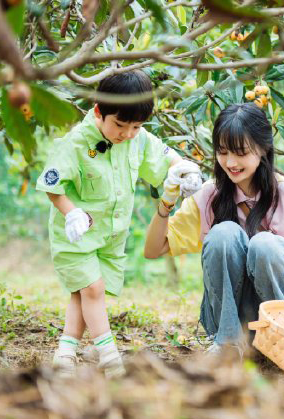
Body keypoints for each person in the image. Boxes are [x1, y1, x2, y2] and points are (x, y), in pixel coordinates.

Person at [143, 103, 284, 354]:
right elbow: (154, 249)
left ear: (263, 149)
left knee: (266, 244)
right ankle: (227, 345)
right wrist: (167, 200)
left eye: (240, 152)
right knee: (223, 233)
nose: (231, 162)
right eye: (222, 152)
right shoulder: (209, 197)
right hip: (233, 321)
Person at [36, 70, 201, 377]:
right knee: (93, 290)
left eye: (136, 126)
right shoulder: (75, 143)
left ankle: (65, 351)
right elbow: (51, 184)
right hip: (77, 235)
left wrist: (186, 171)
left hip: (111, 236)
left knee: (83, 293)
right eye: (120, 125)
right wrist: (71, 212)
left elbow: (167, 159)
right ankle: (110, 358)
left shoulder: (138, 140)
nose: (127, 133)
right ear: (99, 111)